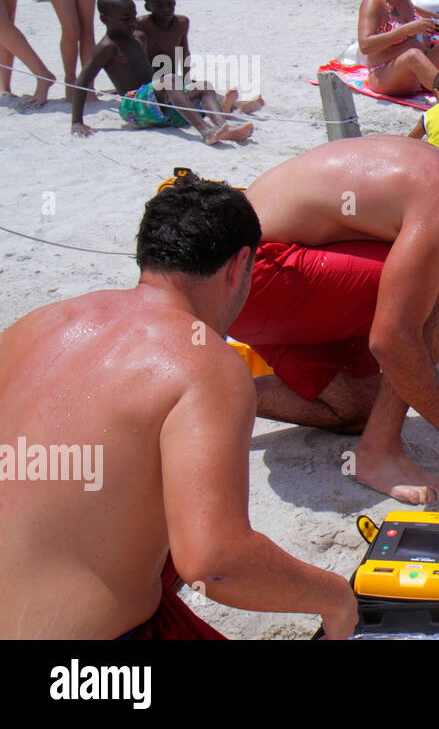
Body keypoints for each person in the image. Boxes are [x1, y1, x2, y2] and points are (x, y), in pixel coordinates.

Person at [0, 174, 359, 639]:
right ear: (240, 265)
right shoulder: (204, 364)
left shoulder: (35, 325)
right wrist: (335, 598)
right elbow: (216, 564)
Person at [226, 127, 439, 502]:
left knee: (358, 407)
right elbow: (391, 341)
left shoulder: (423, 158)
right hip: (257, 274)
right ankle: (379, 453)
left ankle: (218, 394)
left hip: (239, 290)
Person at [70, 0, 252, 144]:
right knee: (170, 78)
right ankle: (206, 131)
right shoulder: (107, 47)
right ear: (104, 19)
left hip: (160, 103)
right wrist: (77, 121)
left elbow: (143, 70)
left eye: (133, 17)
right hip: (135, 106)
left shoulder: (139, 37)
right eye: (126, 19)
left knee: (203, 85)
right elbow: (82, 81)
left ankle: (222, 126)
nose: (132, 22)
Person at [137, 0, 263, 117]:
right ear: (148, 7)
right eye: (159, 5)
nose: (167, 9)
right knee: (188, 95)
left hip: (173, 77)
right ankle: (228, 107)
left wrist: (186, 79)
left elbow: (184, 52)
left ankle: (234, 105)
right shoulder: (143, 24)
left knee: (202, 88)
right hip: (151, 81)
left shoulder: (181, 22)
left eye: (170, 3)